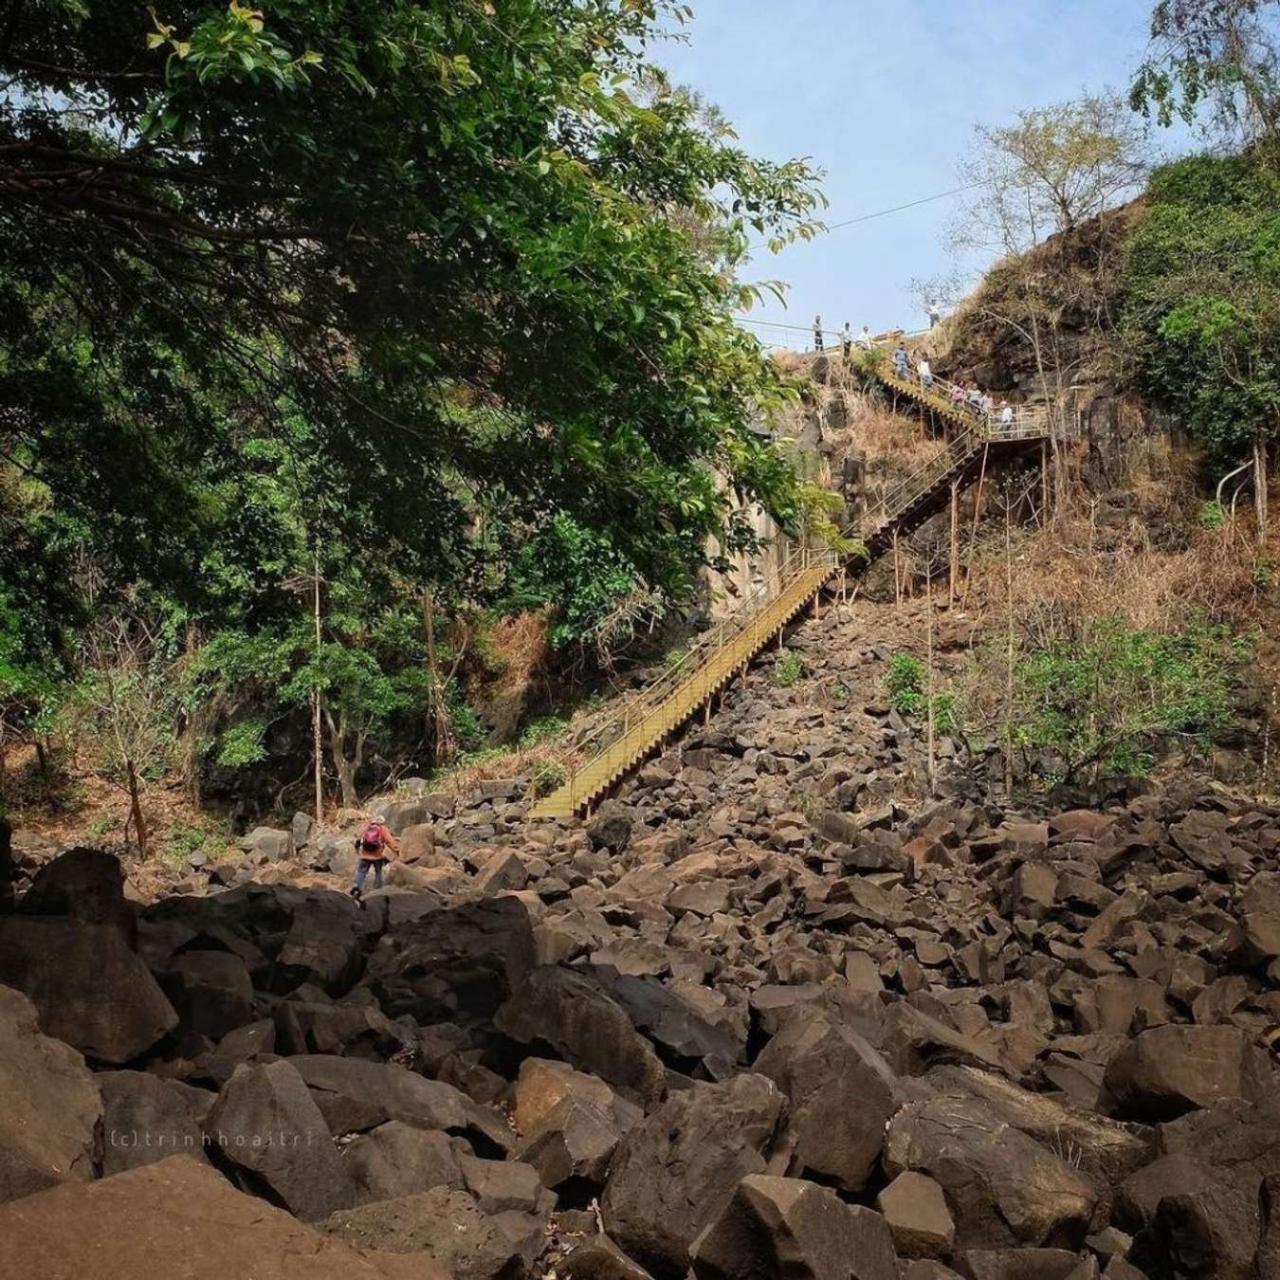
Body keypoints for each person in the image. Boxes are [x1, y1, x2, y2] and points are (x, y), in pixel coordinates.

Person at [351, 814, 399, 901]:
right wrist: (396, 850)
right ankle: (377, 891)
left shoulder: (367, 827)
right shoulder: (383, 829)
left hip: (364, 855)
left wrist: (357, 849)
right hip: (377, 856)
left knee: (361, 872)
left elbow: (358, 838)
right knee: (378, 872)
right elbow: (389, 841)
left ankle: (357, 887)